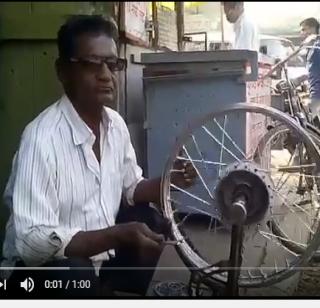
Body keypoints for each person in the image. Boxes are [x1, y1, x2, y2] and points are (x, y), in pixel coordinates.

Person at [0, 15, 196, 298]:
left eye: (113, 64)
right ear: (63, 71)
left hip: (97, 257)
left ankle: (105, 290)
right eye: (92, 64)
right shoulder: (41, 138)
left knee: (150, 221)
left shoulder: (115, 125)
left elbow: (132, 189)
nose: (106, 75)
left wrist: (171, 180)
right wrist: (117, 235)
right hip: (38, 272)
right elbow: (33, 244)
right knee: (74, 273)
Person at [299, 18, 320, 125]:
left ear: (312, 29)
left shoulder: (317, 46)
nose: (301, 33)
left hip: (318, 93)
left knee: (314, 124)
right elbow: (312, 71)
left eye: (304, 30)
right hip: (315, 91)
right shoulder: (312, 48)